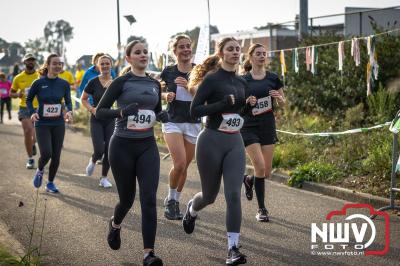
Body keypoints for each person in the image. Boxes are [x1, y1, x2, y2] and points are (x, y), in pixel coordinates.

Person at [182, 37, 256, 265]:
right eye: (230, 49)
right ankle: (192, 208)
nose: (235, 52)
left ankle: (232, 249)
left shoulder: (243, 83)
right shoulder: (212, 80)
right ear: (221, 53)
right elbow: (195, 111)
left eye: (237, 49)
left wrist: (247, 107)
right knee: (209, 196)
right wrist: (222, 104)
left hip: (234, 142)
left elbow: (238, 115)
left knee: (233, 195)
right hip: (210, 141)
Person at [96, 40, 168, 266]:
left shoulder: (154, 83)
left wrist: (162, 115)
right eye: (138, 52)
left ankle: (148, 254)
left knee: (148, 199)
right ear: (128, 58)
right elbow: (100, 112)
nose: (143, 55)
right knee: (126, 199)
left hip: (147, 146)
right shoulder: (120, 82)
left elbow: (155, 110)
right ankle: (115, 224)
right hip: (122, 146)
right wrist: (121, 112)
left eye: (145, 52)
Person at [241, 43, 285, 222]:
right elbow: (237, 106)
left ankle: (249, 180)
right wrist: (247, 102)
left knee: (266, 172)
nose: (261, 56)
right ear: (251, 57)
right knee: (259, 166)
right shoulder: (243, 80)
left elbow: (283, 102)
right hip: (248, 127)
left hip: (267, 125)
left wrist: (279, 98)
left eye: (264, 54)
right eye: (258, 53)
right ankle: (262, 209)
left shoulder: (273, 78)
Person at [160, 35, 201, 220]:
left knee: (184, 168)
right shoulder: (168, 71)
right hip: (172, 120)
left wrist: (189, 87)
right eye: (181, 47)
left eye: (188, 46)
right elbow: (158, 90)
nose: (186, 49)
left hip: (193, 122)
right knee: (180, 163)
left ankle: (174, 199)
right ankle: (170, 201)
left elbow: (204, 96)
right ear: (174, 51)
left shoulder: (199, 71)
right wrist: (165, 95)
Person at [27, 53, 73, 193]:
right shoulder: (38, 83)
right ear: (48, 65)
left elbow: (68, 101)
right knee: (46, 153)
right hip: (42, 123)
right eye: (55, 63)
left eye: (60, 63)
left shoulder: (64, 84)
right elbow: (29, 99)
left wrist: (69, 111)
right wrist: (32, 112)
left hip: (58, 123)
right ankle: (40, 170)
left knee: (56, 156)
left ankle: (50, 183)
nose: (58, 66)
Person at [81, 54, 114, 188]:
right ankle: (94, 160)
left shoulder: (115, 82)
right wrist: (92, 109)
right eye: (102, 64)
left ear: (111, 65)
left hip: (110, 119)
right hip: (96, 119)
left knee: (109, 150)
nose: (105, 66)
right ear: (98, 66)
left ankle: (104, 178)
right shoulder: (93, 82)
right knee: (99, 149)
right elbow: (83, 99)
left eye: (107, 63)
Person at [10, 53, 39, 169]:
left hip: (39, 108)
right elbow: (11, 93)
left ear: (35, 62)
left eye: (32, 60)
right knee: (28, 131)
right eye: (28, 60)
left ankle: (33, 143)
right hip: (24, 108)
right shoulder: (18, 78)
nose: (31, 62)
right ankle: (30, 159)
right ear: (24, 62)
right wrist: (18, 94)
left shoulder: (39, 76)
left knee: (36, 134)